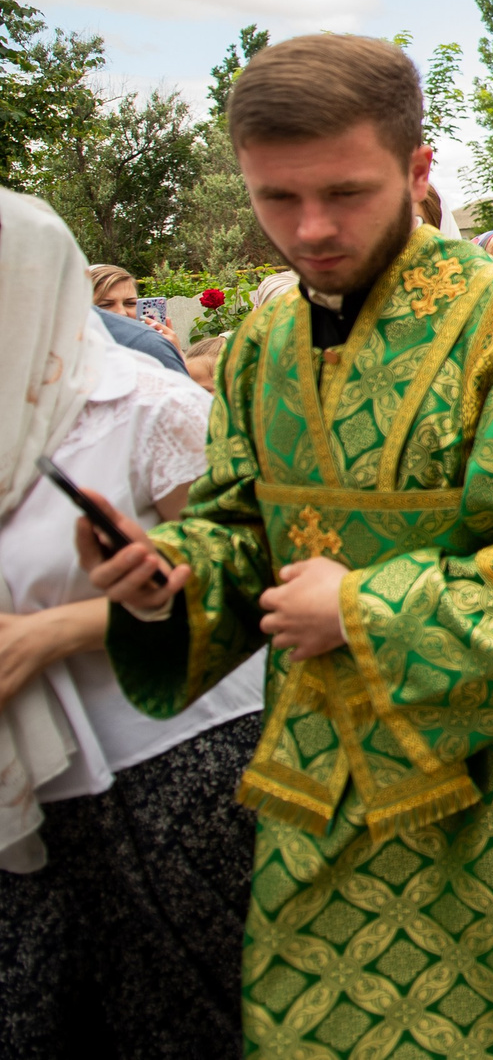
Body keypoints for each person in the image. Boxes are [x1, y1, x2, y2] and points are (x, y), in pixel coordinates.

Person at [78, 33, 493, 1056]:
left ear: (418, 170)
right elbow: (242, 520)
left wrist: (363, 608)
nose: (311, 229)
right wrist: (166, 580)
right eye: (277, 199)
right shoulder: (265, 345)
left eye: (345, 191)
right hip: (323, 786)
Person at [0, 191, 264, 1060]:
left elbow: (243, 574)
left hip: (177, 768)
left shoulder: (145, 406)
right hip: (36, 799)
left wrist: (56, 631)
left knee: (206, 1019)